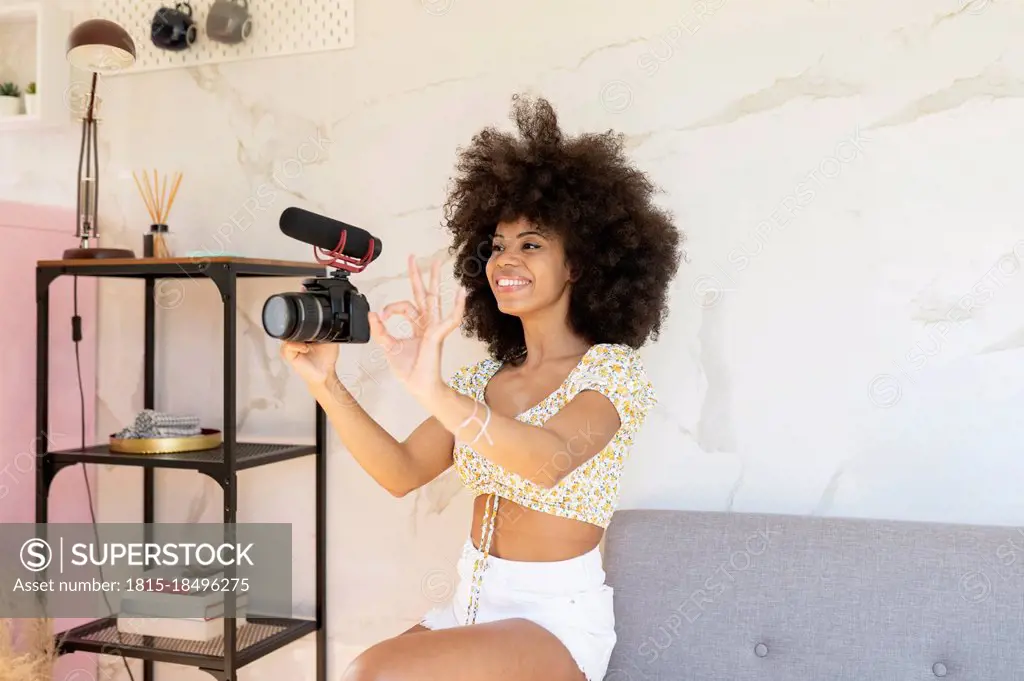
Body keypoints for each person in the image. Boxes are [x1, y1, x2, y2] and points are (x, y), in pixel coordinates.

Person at [281, 94, 682, 681]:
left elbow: (547, 462)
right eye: (496, 245)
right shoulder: (484, 381)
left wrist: (433, 391)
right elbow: (400, 473)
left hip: (554, 622)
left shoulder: (611, 371)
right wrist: (326, 384)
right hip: (467, 607)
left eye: (531, 244)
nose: (504, 260)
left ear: (579, 264)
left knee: (372, 672)